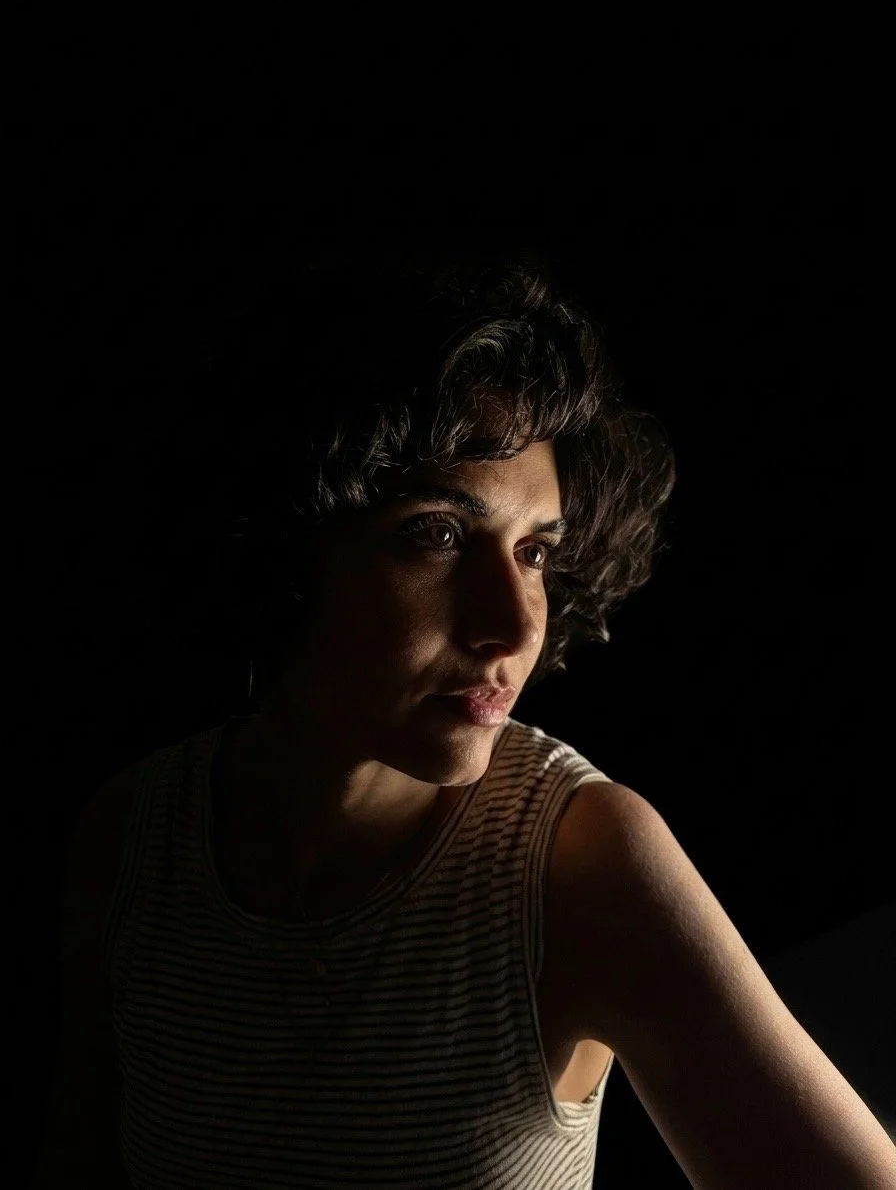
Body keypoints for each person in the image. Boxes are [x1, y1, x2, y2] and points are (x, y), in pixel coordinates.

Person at [33, 253, 895, 1188]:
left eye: (533, 552)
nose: (516, 623)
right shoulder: (132, 841)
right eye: (437, 533)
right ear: (282, 543)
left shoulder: (579, 865)